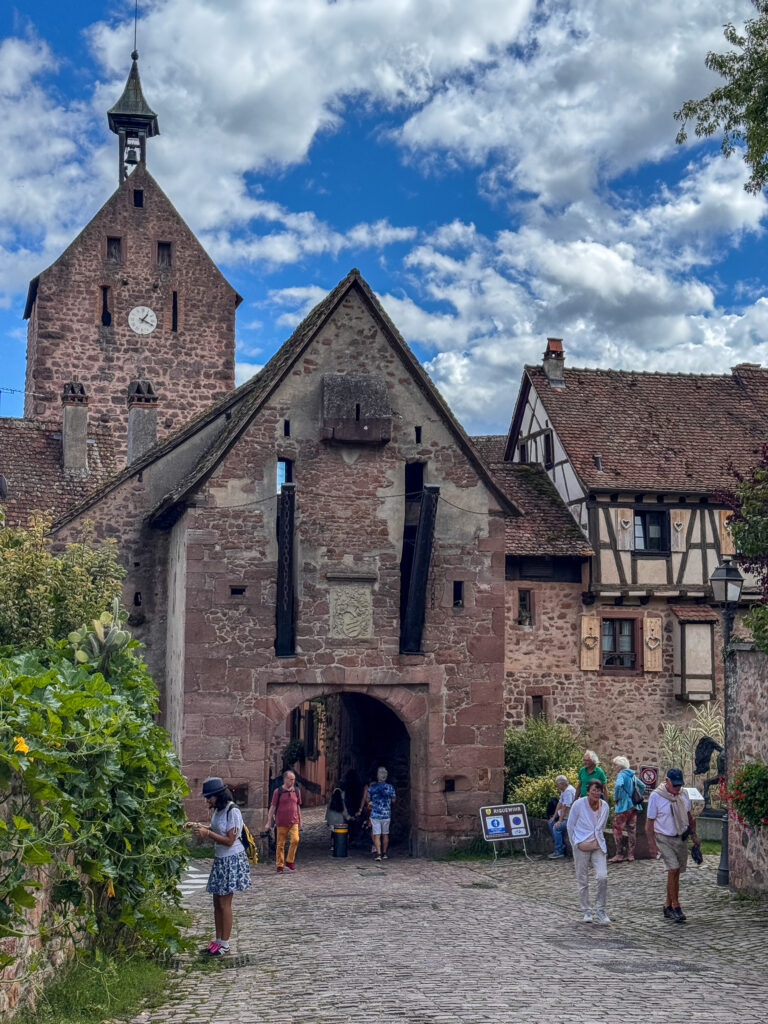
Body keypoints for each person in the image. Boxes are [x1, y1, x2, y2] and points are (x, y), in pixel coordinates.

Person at [192, 777, 251, 957]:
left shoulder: (233, 811)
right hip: (220, 859)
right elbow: (216, 829)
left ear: (218, 795)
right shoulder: (218, 810)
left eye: (209, 797)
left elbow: (230, 840)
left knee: (225, 904)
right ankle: (218, 941)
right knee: (216, 902)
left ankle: (225, 943)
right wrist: (198, 826)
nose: (207, 801)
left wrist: (208, 834)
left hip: (231, 859)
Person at [646, 767, 700, 923]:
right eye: (674, 785)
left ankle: (667, 905)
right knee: (673, 868)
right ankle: (676, 906)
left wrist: (694, 835)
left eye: (679, 785)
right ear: (667, 781)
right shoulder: (656, 796)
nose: (677, 788)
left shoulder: (683, 795)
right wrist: (652, 844)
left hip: (680, 837)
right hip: (663, 838)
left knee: (676, 872)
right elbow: (649, 822)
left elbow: (689, 816)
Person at [566, 779, 610, 924]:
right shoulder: (579, 804)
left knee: (602, 877)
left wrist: (597, 839)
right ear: (588, 791)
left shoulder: (605, 806)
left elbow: (602, 826)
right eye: (594, 791)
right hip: (581, 845)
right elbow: (570, 825)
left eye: (599, 790)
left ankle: (601, 910)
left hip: (597, 845)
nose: (596, 793)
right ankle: (586, 910)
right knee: (582, 878)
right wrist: (575, 843)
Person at [609, 755, 645, 863]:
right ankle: (630, 854)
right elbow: (642, 786)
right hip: (633, 806)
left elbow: (618, 786)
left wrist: (616, 797)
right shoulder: (632, 775)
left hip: (623, 806)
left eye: (615, 765)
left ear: (620, 766)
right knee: (631, 830)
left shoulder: (621, 774)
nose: (614, 767)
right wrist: (635, 795)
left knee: (617, 829)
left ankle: (619, 854)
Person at [266, 768, 302, 873]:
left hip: (294, 821)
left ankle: (289, 861)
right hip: (281, 822)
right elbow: (273, 806)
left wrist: (300, 819)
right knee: (280, 844)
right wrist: (269, 821)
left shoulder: (296, 791)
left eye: (294, 779)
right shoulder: (278, 792)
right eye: (291, 779)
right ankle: (280, 865)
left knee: (295, 840)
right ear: (285, 779)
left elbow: (298, 806)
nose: (292, 782)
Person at [359, 766, 396, 861]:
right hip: (386, 814)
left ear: (377, 776)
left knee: (377, 834)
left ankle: (378, 853)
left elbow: (367, 799)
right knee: (385, 834)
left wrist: (372, 803)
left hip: (375, 814)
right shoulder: (390, 787)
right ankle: (385, 853)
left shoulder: (372, 787)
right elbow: (393, 800)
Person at [548, 774, 576, 859]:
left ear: (563, 784)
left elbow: (564, 807)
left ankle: (559, 850)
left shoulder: (568, 791)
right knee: (551, 823)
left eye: (558, 784)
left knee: (556, 828)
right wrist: (554, 816)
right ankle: (560, 844)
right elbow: (560, 803)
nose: (557, 786)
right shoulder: (564, 790)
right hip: (565, 817)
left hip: (571, 819)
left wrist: (559, 821)